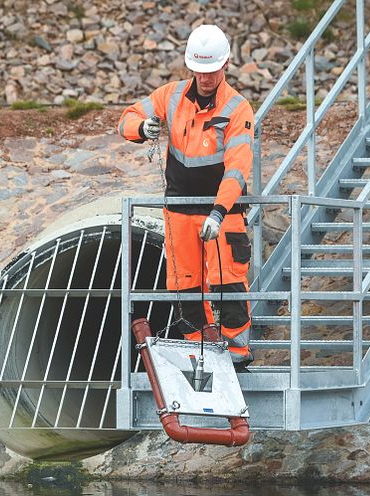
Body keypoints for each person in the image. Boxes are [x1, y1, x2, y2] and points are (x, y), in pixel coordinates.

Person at [118, 24, 254, 370]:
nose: (206, 78)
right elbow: (127, 117)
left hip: (221, 212)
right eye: (200, 71)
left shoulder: (238, 108)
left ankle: (237, 356)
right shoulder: (172, 96)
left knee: (227, 284)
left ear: (224, 66)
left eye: (212, 71)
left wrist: (219, 212)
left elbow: (237, 169)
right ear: (190, 67)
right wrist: (141, 129)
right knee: (185, 286)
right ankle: (199, 353)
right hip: (178, 210)